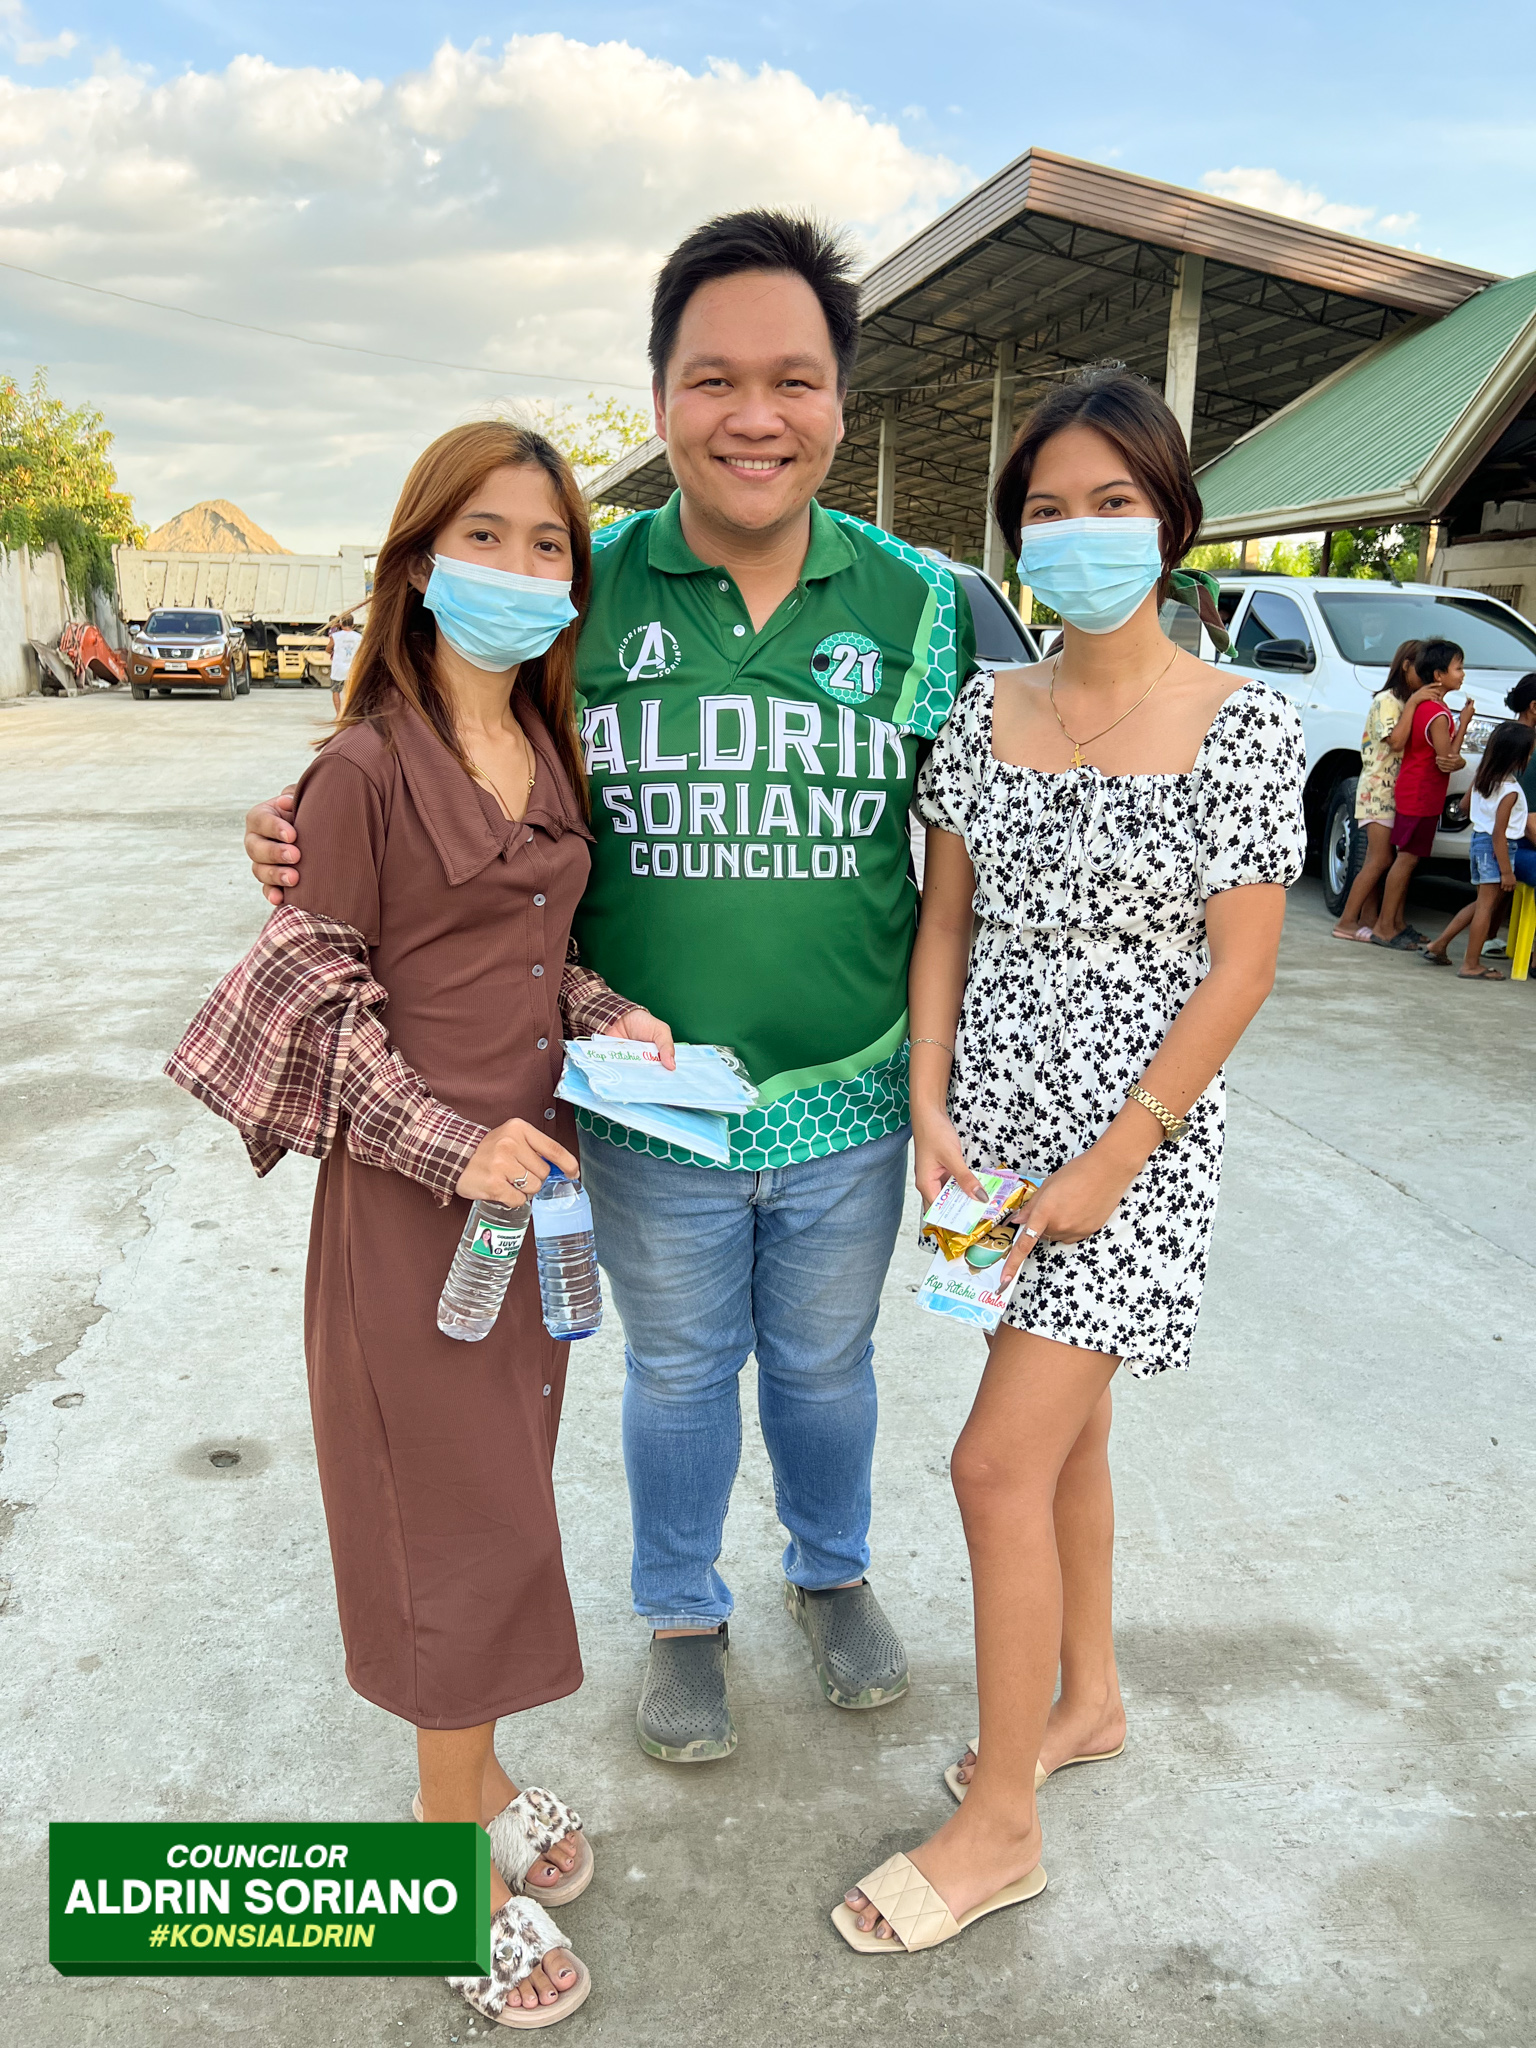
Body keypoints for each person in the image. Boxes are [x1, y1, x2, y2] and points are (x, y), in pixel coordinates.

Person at [242, 212, 977, 1765]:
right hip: (644, 1103)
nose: (754, 416)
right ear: (659, 397)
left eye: (793, 379)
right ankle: (683, 1614)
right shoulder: (590, 587)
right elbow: (445, 752)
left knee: (828, 1370)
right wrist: (303, 821)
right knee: (680, 1373)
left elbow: (991, 840)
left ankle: (832, 1571)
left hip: (848, 1090)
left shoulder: (922, 604)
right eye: (714, 378)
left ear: (842, 399)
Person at [169, 422, 676, 2029]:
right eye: (486, 536)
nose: (521, 569)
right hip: (412, 1221)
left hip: (529, 1212)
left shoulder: (540, 742)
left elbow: (524, 953)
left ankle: (485, 1779)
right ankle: (440, 1869)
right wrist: (452, 1147)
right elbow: (322, 1003)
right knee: (456, 1536)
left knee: (502, 1504)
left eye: (549, 546)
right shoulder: (362, 771)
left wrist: (611, 1017)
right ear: (417, 563)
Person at [837, 368, 1306, 1956]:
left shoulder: (1244, 723)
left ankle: (1001, 1825)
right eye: (1049, 508)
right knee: (1068, 1443)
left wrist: (1119, 1155)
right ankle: (1086, 1700)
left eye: (1114, 502)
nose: (1081, 532)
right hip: (992, 1142)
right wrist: (931, 1105)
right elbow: (946, 925)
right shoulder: (986, 711)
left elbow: (1242, 966)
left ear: (1171, 521)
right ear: (1015, 535)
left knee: (993, 1466)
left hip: (1136, 1155)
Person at [1370, 640, 1474, 950]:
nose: (1463, 674)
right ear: (1439, 675)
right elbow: (1447, 760)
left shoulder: (1430, 708)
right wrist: (1464, 726)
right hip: (1420, 794)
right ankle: (1384, 927)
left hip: (1418, 792)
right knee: (1406, 860)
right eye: (1458, 668)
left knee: (1408, 860)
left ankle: (1396, 924)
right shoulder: (1436, 713)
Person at [1331, 641, 1430, 941]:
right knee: (1379, 859)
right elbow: (1395, 742)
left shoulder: (1405, 701)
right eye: (1422, 669)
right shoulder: (1388, 700)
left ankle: (1369, 919)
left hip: (1393, 792)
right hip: (1377, 790)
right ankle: (1346, 922)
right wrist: (1413, 704)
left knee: (1381, 859)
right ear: (1406, 665)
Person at [1422, 719, 1536, 977]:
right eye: (1529, 753)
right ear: (1517, 757)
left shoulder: (1484, 778)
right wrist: (1507, 872)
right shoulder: (1510, 790)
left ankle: (1439, 944)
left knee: (1481, 903)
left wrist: (1483, 814)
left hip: (1478, 843)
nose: (1530, 758)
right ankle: (1471, 964)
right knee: (1486, 907)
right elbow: (1499, 834)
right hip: (1497, 848)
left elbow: (1464, 806)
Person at [327, 610, 362, 712]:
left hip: (338, 668)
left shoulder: (335, 636)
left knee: (336, 691)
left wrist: (334, 653)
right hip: (352, 668)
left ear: (341, 624)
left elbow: (328, 649)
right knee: (351, 692)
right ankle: (350, 713)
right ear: (353, 625)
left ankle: (339, 714)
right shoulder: (359, 637)